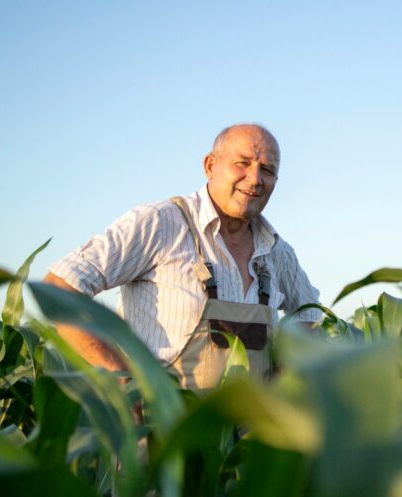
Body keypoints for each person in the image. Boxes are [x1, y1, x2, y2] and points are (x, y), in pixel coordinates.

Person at [43, 123, 322, 390]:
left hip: (249, 436)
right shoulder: (161, 224)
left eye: (268, 169)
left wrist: (284, 376)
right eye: (243, 163)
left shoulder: (276, 251)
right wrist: (117, 374)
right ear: (210, 166)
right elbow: (59, 287)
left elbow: (310, 314)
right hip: (165, 432)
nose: (255, 179)